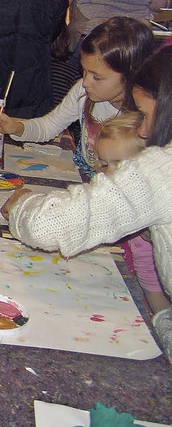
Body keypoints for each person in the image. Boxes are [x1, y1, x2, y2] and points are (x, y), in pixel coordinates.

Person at [2, 45, 172, 362]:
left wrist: (23, 205)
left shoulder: (162, 169)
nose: (146, 130)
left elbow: (50, 225)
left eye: (149, 116)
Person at [0, 17, 155, 177]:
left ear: (130, 76)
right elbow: (49, 126)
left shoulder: (144, 120)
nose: (85, 82)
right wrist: (16, 127)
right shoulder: (82, 92)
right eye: (84, 71)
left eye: (97, 77)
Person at [94, 112, 170, 315]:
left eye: (119, 164)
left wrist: (160, 326)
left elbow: (152, 287)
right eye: (104, 164)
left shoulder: (146, 218)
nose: (108, 173)